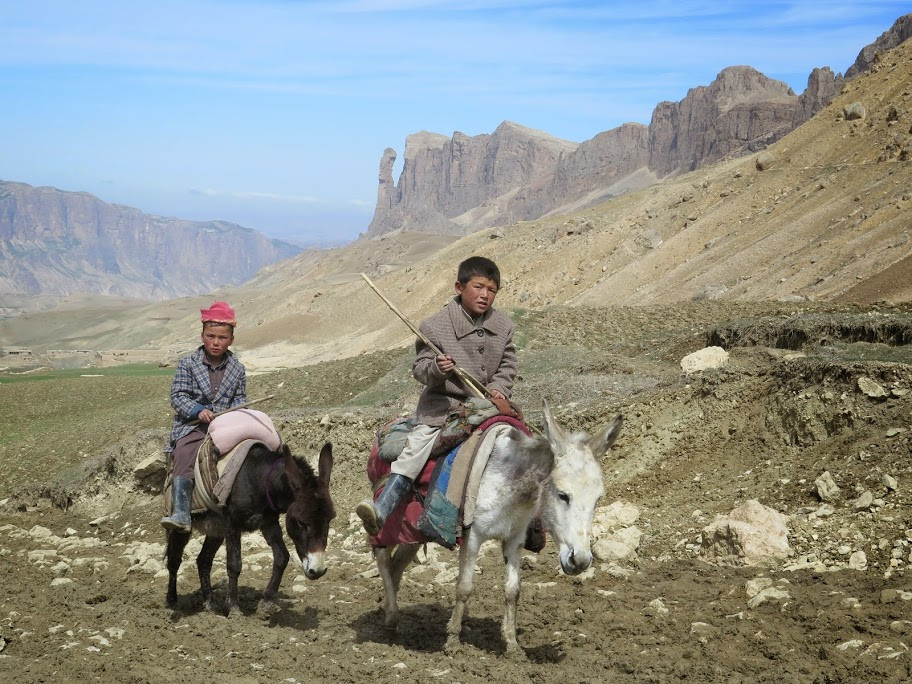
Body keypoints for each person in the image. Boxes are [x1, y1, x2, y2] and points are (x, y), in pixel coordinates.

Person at [356, 256, 517, 536]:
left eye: (491, 290)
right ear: (459, 287)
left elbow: (508, 364)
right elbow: (420, 369)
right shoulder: (435, 326)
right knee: (416, 450)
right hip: (444, 409)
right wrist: (437, 368)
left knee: (523, 444)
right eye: (478, 287)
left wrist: (499, 388)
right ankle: (383, 507)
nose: (485, 295)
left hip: (489, 405)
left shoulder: (504, 326)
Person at [160, 301, 247, 532]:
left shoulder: (237, 369)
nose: (216, 342)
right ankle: (181, 513)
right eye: (211, 336)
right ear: (202, 336)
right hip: (193, 425)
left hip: (226, 425)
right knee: (184, 452)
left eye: (222, 337)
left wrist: (235, 412)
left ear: (231, 340)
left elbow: (240, 397)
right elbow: (178, 396)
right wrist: (198, 410)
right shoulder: (187, 364)